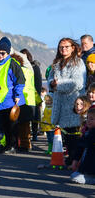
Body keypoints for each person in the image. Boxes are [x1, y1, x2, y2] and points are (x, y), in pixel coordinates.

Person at [48, 38, 86, 168]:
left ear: (73, 48)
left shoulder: (78, 62)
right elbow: (50, 79)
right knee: (66, 134)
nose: (63, 49)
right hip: (60, 103)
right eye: (61, 47)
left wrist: (58, 84)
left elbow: (78, 82)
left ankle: (77, 160)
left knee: (74, 133)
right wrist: (51, 84)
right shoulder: (57, 63)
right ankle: (71, 158)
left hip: (73, 102)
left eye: (66, 47)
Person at [0, 37, 26, 154]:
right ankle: (6, 145)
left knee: (12, 126)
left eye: (3, 53)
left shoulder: (13, 64)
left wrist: (17, 95)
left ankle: (13, 146)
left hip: (11, 100)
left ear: (8, 53)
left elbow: (20, 80)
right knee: (4, 126)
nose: (0, 55)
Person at [20, 48, 42, 141]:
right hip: (23, 95)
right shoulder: (18, 67)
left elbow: (38, 82)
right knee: (24, 118)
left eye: (25, 56)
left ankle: (35, 133)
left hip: (33, 94)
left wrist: (38, 95)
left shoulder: (34, 67)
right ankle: (24, 137)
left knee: (35, 115)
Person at [70, 107, 95, 184]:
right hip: (87, 166)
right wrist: (75, 161)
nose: (88, 121)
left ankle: (91, 178)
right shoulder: (87, 133)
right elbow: (80, 148)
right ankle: (87, 175)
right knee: (74, 175)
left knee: (76, 178)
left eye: (92, 119)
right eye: (87, 118)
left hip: (92, 165)